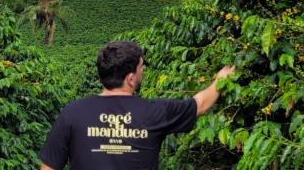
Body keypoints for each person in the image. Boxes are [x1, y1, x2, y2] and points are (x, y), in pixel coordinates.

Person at [38, 41, 236, 170]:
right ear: (130, 78)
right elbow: (200, 104)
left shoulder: (73, 112)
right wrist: (221, 79)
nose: (143, 71)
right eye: (141, 67)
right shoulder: (155, 111)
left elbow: (48, 167)